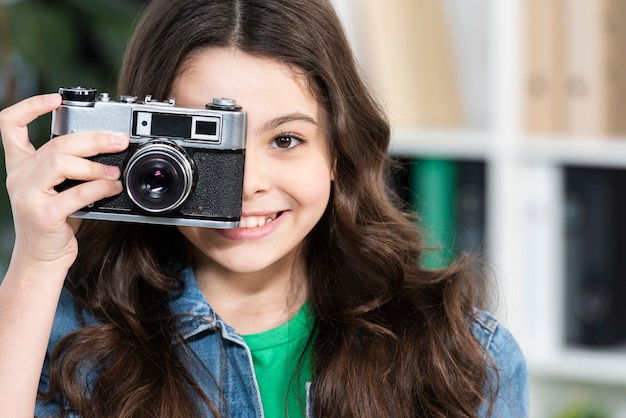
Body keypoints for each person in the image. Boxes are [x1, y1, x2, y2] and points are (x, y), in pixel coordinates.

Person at [0, 0, 529, 416]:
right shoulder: (59, 339)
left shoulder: (462, 356)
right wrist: (35, 262)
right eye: (210, 148)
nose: (248, 184)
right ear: (144, 147)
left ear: (338, 152)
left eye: (286, 140)